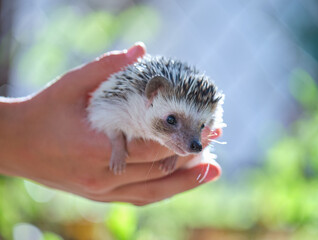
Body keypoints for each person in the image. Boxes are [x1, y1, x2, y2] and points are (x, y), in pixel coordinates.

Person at [0, 42, 222, 206]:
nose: (193, 142)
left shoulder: (178, 120)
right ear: (152, 96)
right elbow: (101, 117)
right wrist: (117, 142)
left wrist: (172, 152)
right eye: (172, 121)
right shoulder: (126, 104)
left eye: (200, 127)